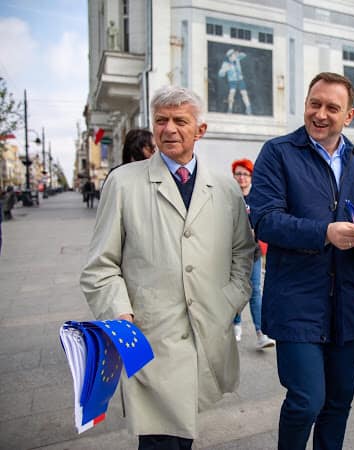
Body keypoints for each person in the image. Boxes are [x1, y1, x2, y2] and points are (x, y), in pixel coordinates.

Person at [80, 85, 256, 449]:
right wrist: (120, 314)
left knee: (182, 432)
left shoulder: (225, 188)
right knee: (161, 437)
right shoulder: (124, 183)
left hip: (207, 330)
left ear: (200, 130)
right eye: (161, 121)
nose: (169, 129)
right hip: (151, 336)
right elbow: (100, 266)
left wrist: (230, 300)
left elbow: (243, 251)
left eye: (180, 121)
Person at [248, 72, 354, 450]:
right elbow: (265, 220)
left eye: (332, 108)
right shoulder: (278, 153)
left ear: (349, 116)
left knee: (338, 404)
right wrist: (325, 232)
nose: (320, 114)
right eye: (314, 104)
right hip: (296, 302)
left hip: (345, 305)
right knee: (306, 401)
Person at [231, 158, 276, 349]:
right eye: (238, 174)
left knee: (255, 290)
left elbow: (264, 220)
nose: (242, 178)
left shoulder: (257, 197)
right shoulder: (230, 196)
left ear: (251, 177)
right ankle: (236, 324)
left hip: (253, 252)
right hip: (232, 253)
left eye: (245, 174)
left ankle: (261, 332)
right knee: (236, 288)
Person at [218, 48, 252, 115]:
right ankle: (230, 109)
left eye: (234, 55)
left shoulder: (237, 59)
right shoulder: (226, 64)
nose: (234, 57)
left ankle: (248, 108)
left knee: (244, 93)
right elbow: (220, 74)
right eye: (233, 56)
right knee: (232, 93)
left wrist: (238, 54)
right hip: (232, 81)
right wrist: (224, 70)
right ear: (229, 57)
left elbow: (244, 55)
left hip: (240, 79)